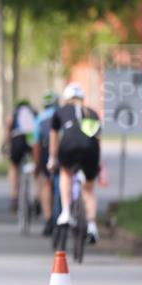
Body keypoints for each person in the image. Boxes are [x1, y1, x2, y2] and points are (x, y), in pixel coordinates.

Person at [49, 82, 102, 243]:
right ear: (82, 98)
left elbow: (54, 138)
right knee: (90, 189)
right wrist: (98, 162)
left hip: (69, 146)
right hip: (91, 150)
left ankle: (66, 212)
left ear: (66, 99)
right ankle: (92, 225)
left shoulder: (60, 111)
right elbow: (98, 140)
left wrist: (52, 158)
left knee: (65, 172)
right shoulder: (92, 113)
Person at [33, 90, 59, 236]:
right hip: (64, 151)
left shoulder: (40, 118)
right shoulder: (63, 113)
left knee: (46, 185)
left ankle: (49, 219)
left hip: (46, 151)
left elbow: (36, 144)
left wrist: (37, 166)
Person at [6, 98, 38, 213]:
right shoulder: (33, 112)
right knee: (35, 167)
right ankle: (36, 196)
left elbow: (8, 130)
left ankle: (14, 197)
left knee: (14, 166)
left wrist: (7, 145)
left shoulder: (13, 113)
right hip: (30, 141)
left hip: (17, 140)